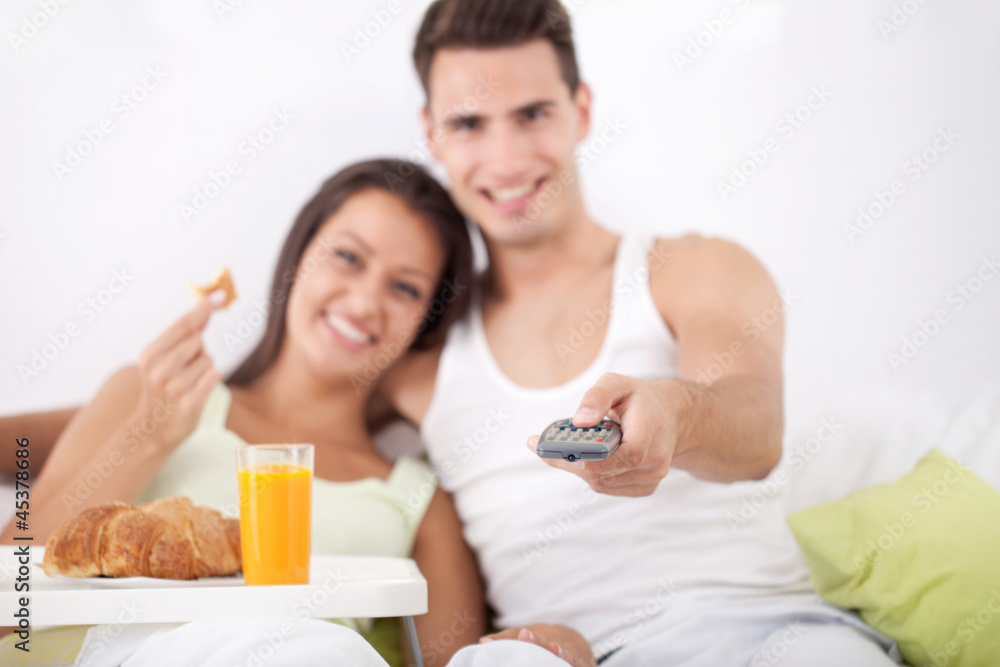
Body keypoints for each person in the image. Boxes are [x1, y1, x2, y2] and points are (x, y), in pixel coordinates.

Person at [370, 1, 904, 665]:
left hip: (772, 637)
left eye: (532, 114)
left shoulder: (692, 269)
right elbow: (287, 423)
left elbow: (756, 426)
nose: (504, 158)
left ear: (582, 109)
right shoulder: (420, 360)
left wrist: (674, 415)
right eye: (469, 123)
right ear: (431, 131)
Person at [0, 159, 485, 667]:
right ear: (299, 257)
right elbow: (11, 593)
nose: (365, 302)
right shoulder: (148, 397)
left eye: (405, 288)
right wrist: (151, 437)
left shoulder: (416, 499)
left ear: (426, 325)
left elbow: (458, 661)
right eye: (347, 256)